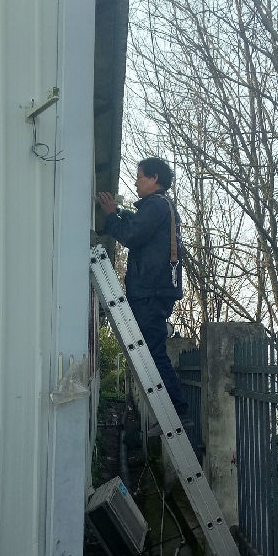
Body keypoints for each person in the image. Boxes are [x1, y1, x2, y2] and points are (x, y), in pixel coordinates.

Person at [96, 157, 190, 424]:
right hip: (154, 289)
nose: (136, 183)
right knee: (150, 350)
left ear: (154, 178)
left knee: (152, 351)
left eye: (139, 177)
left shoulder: (157, 205)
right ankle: (173, 412)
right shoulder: (159, 207)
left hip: (151, 290)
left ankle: (176, 412)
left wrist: (111, 215)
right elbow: (138, 226)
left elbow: (132, 236)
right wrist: (121, 213)